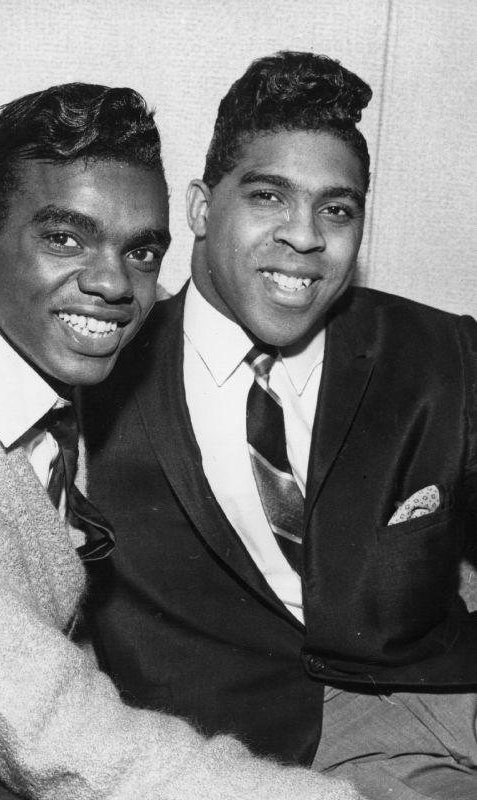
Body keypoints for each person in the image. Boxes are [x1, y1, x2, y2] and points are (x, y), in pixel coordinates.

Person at [0, 82, 361, 800]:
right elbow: (50, 738)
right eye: (64, 238)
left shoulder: (27, 362)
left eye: (142, 253)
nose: (114, 283)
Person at [83, 51, 477, 798]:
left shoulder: (437, 351)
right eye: (268, 197)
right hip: (277, 754)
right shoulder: (99, 372)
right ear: (200, 208)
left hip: (456, 689)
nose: (304, 237)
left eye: (336, 209)